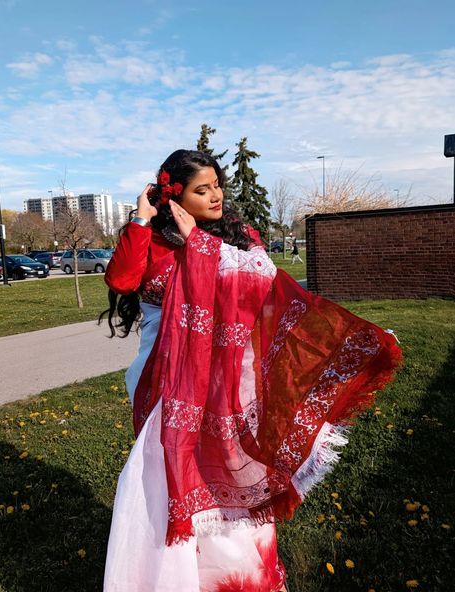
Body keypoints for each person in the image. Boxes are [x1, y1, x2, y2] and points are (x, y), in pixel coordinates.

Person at [101, 149, 401, 592]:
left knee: (230, 465)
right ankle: (184, 575)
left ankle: (236, 576)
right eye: (202, 190)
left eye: (217, 185)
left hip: (228, 378)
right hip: (165, 380)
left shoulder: (239, 236)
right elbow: (123, 280)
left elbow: (263, 284)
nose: (216, 195)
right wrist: (142, 219)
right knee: (173, 472)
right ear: (173, 193)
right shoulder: (157, 240)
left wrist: (207, 247)